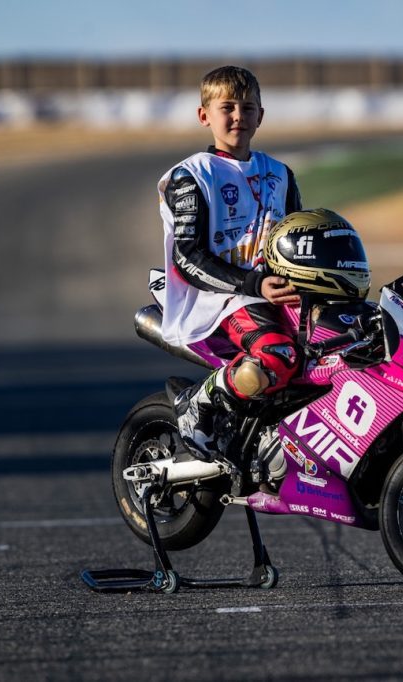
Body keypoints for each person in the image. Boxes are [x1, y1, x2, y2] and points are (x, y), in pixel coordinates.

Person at [156, 65, 303, 466]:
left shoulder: (280, 174)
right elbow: (187, 259)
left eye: (248, 107)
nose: (239, 116)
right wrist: (254, 285)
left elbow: (298, 240)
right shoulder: (191, 176)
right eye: (228, 107)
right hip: (218, 301)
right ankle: (198, 404)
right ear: (204, 115)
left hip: (273, 295)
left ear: (261, 115)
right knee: (278, 355)